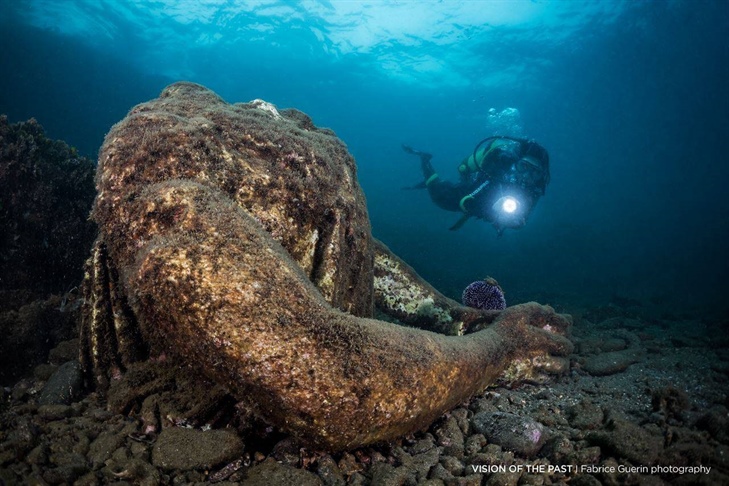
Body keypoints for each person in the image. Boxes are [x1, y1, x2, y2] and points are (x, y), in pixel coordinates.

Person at [403, 136, 550, 234]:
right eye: (523, 167)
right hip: (477, 188)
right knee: (439, 198)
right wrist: (491, 210)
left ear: (539, 177)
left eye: (534, 172)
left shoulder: (533, 190)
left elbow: (521, 221)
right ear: (515, 164)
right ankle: (425, 160)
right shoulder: (497, 167)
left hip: (487, 203)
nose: (526, 176)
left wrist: (510, 220)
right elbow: (466, 201)